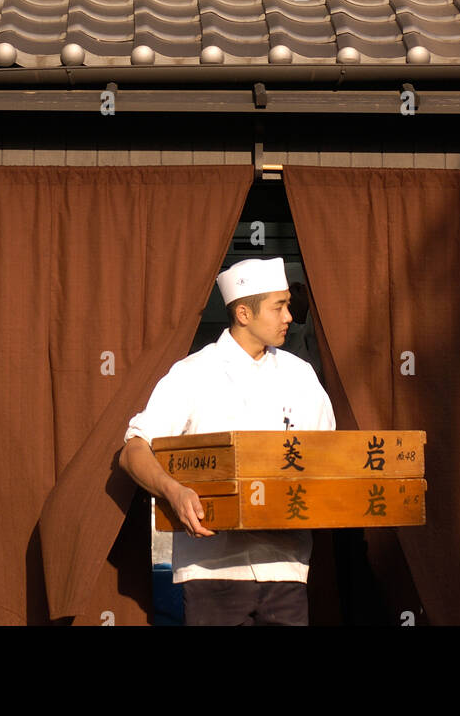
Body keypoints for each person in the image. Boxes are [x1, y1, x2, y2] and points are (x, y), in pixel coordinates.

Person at [119, 256, 336, 626]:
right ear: (244, 314)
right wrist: (173, 491)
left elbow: (328, 456)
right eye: (279, 306)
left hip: (286, 566)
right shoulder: (192, 374)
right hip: (211, 568)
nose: (289, 316)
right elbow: (133, 450)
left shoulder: (301, 376)